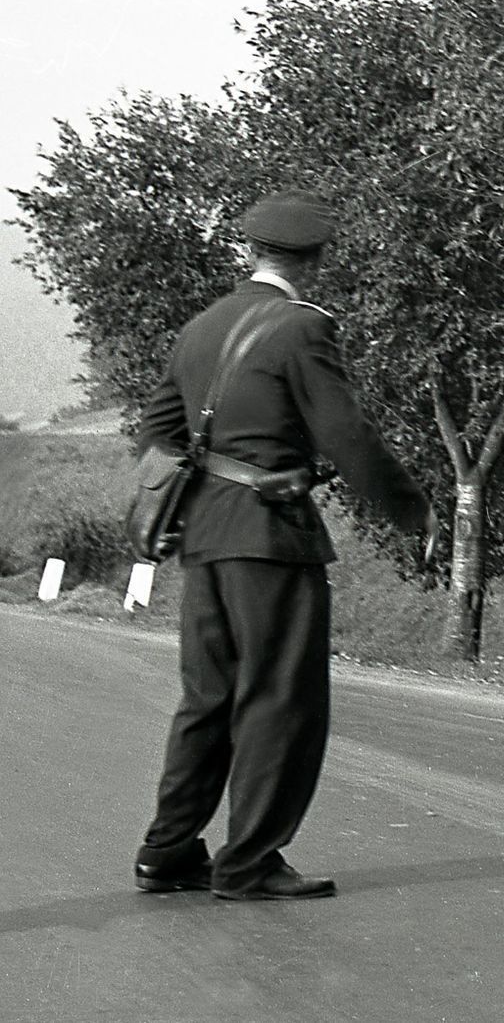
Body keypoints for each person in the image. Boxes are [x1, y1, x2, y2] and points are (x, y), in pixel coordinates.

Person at [132, 189, 436, 901]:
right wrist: (411, 510)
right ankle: (249, 862)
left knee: (207, 698)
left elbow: (156, 432)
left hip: (204, 538)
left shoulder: (201, 327)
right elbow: (347, 436)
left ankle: (168, 852)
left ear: (249, 252)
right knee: (278, 700)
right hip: (272, 536)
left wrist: (200, 484)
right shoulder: (303, 329)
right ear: (317, 262)